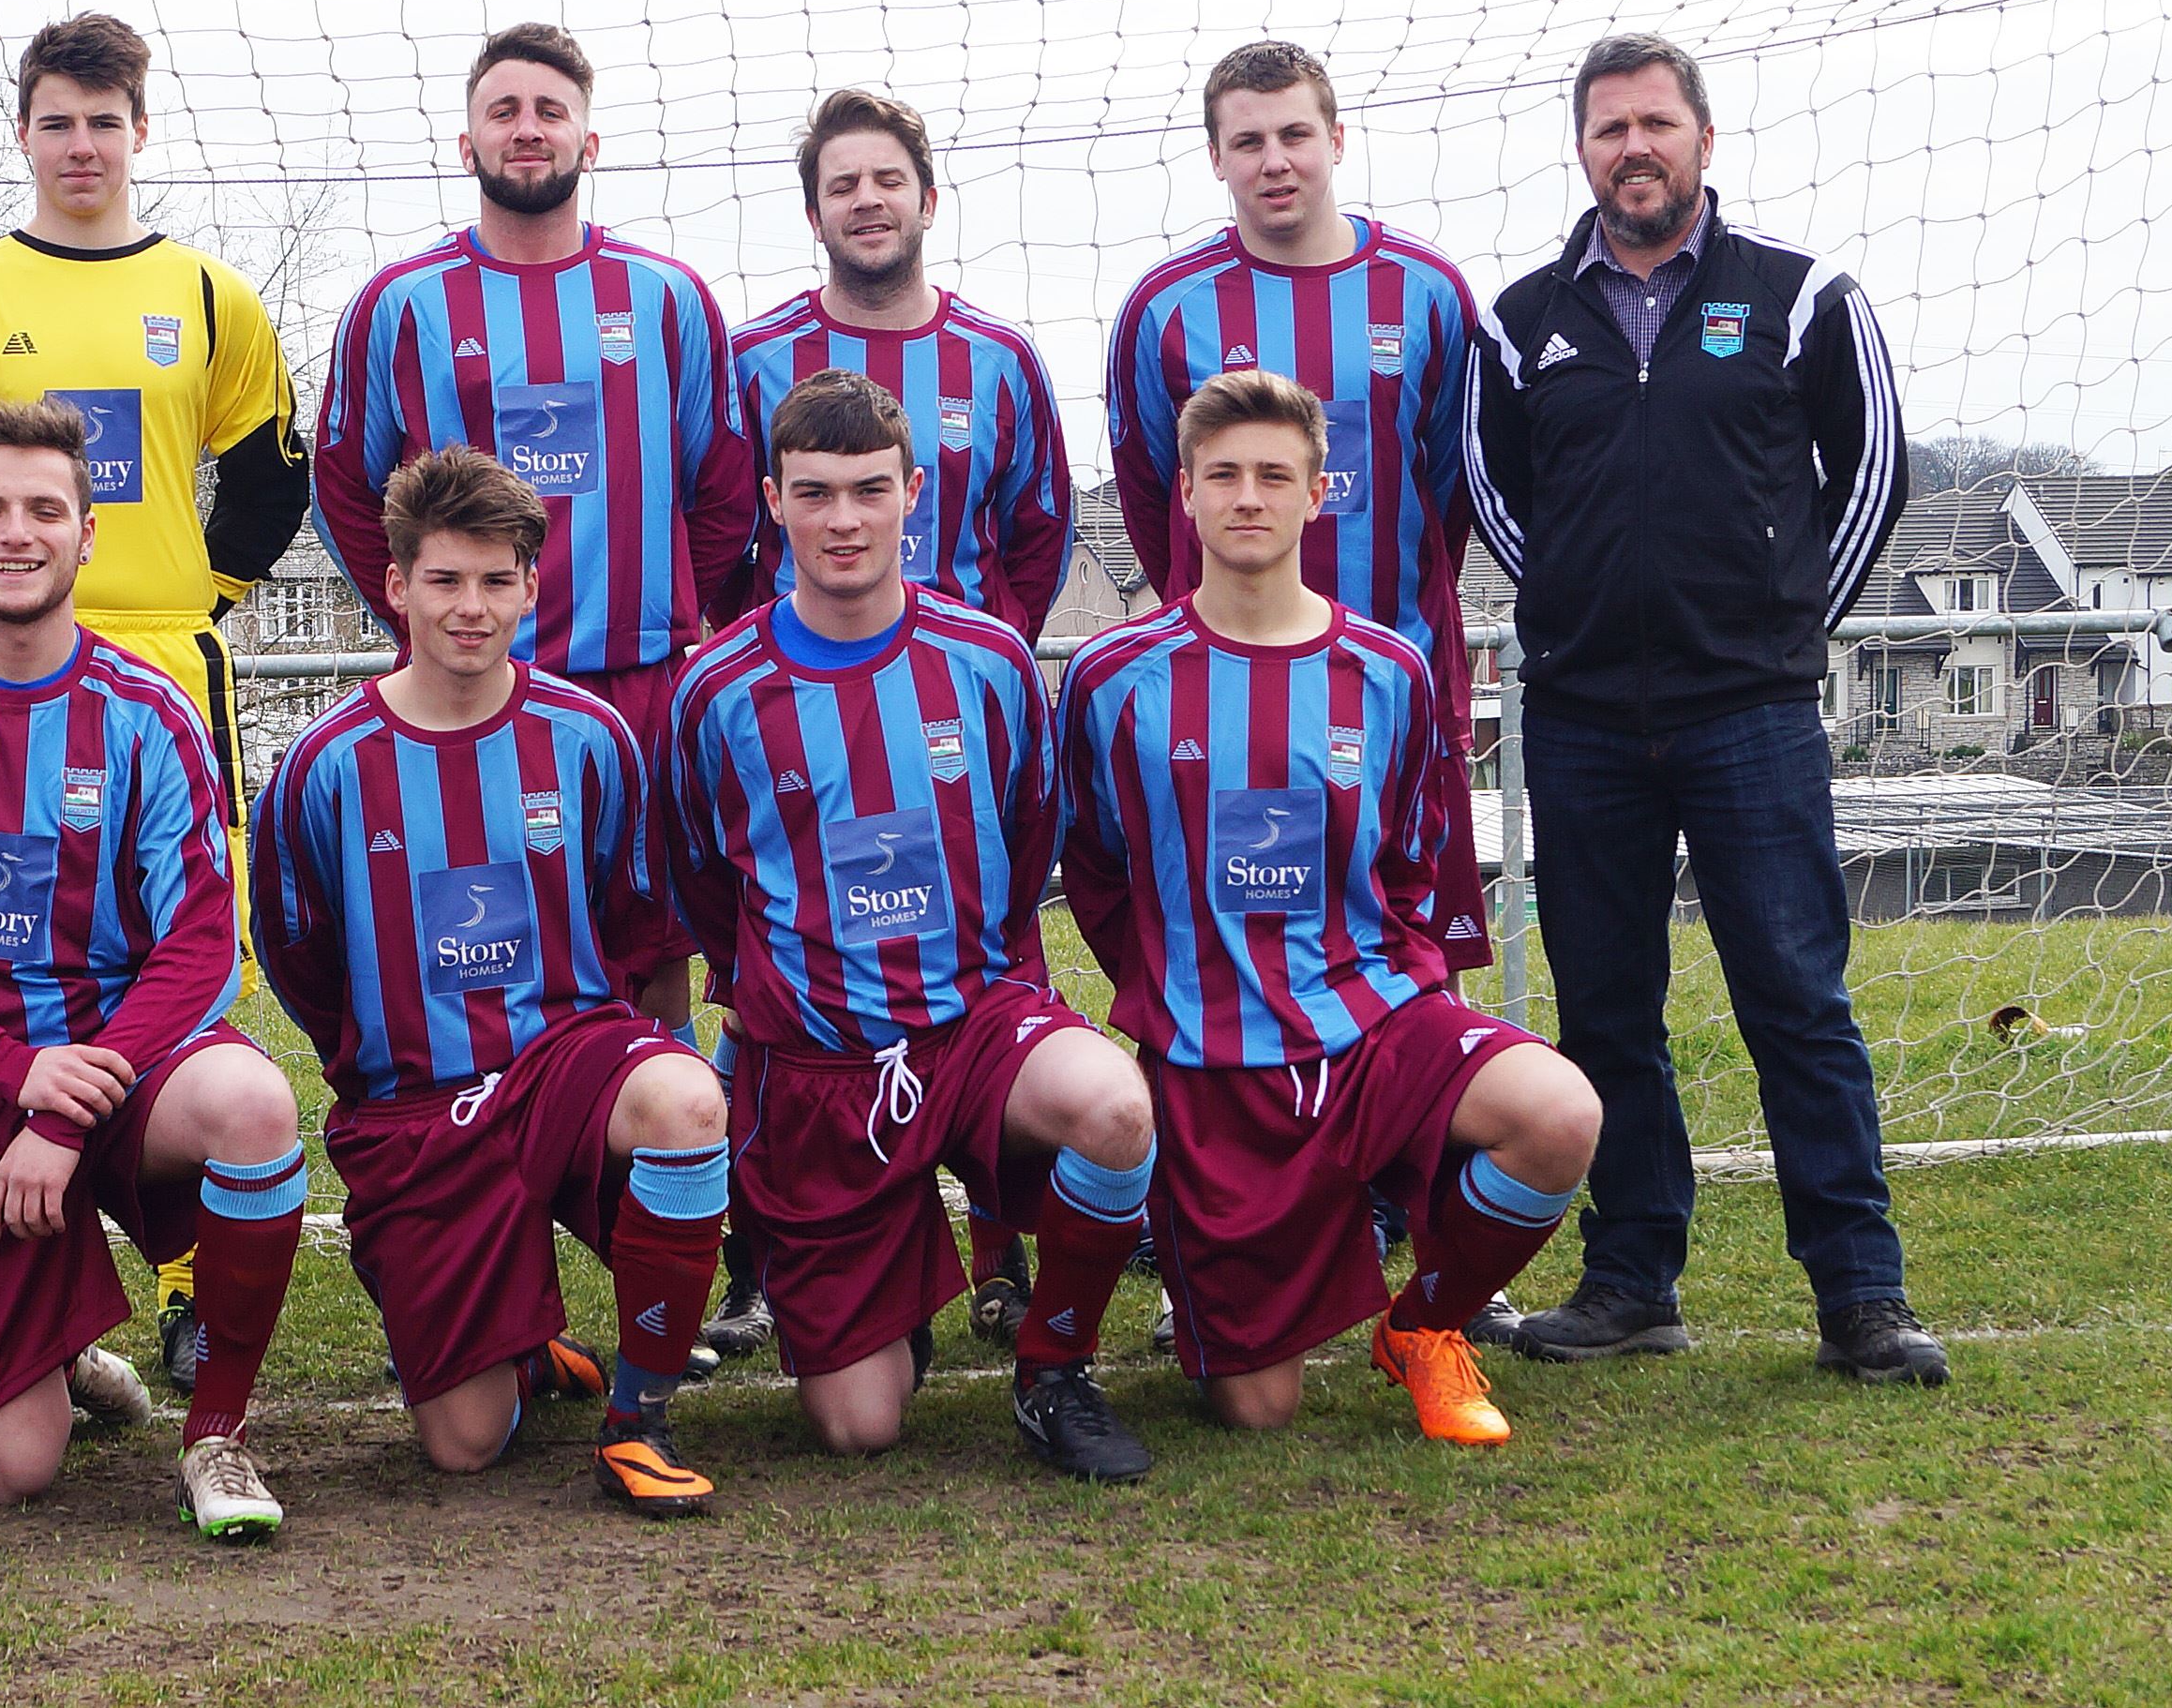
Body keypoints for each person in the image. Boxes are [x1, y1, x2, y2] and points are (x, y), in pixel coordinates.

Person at [1463, 32, 1944, 1386]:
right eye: (1610, 127)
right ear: (1582, 151)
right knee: (1607, 1005)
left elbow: (1875, 472)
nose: (1635, 146)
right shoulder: (1520, 321)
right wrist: (1568, 610)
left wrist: (1785, 633)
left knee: (1795, 996)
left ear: (1704, 139)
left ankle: (1861, 1290)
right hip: (1583, 718)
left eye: (1657, 122)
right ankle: (1632, 1275)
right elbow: (1497, 499)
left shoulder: (1801, 297)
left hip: (1751, 714)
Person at [1059, 370, 1600, 1444]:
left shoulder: (1389, 671)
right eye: (1223, 475)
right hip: (1212, 1066)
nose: (1247, 496)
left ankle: (1425, 1325)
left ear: (1319, 494)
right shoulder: (1113, 677)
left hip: (1369, 1027)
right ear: (1185, 494)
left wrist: (1406, 1002)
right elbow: (1096, 872)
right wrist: (1179, 993)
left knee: (1560, 1112)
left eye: (1274, 474)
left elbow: (1412, 864)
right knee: (1259, 1412)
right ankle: (1228, 1269)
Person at [0, 397, 310, 1539]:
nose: (15, 531)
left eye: (45, 508)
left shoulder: (148, 711)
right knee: (14, 1473)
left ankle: (218, 1435)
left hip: (118, 1078)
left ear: (88, 534)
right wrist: (5, 1069)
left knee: (253, 1101)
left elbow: (196, 940)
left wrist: (73, 1101)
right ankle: (57, 1352)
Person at [0, 11, 311, 1388]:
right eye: (58, 119)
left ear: (142, 131)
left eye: (106, 119)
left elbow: (270, 483)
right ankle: (13, 1241)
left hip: (166, 670)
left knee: (178, 963)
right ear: (23, 133)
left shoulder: (211, 300)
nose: (83, 143)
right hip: (10, 678)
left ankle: (193, 1276)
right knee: (5, 938)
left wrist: (200, 607)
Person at [667, 371, 1161, 1483]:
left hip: (973, 1023)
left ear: (914, 493)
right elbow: (707, 875)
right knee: (857, 1426)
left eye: (868, 491)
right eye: (817, 493)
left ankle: (1054, 1369)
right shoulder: (717, 688)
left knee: (1117, 1107)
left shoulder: (988, 661)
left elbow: (1027, 833)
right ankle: (888, 1301)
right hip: (820, 1069)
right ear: (773, 500)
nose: (844, 519)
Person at [256, 447, 731, 1517]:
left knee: (687, 1101)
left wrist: (647, 1060)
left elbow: (636, 926)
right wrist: (386, 1053)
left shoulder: (590, 737)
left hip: (564, 1065)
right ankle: (520, 1344)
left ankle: (639, 1417)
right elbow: (300, 956)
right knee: (465, 1447)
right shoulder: (324, 765)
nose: (471, 606)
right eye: (445, 579)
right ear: (396, 586)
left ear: (530, 584)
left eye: (495, 579)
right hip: (417, 1106)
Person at [315, 22, 754, 1028]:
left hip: (637, 682)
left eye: (550, 111)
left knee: (649, 959)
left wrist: (670, 617)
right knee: (481, 949)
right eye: (503, 111)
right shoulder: (400, 303)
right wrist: (428, 628)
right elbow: (347, 487)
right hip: (467, 688)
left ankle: (660, 1163)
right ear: (464, 143)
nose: (527, 130)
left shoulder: (666, 297)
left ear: (588, 142)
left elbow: (723, 491)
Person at [727, 85, 1075, 1351]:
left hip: (956, 716)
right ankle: (764, 1257)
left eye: (888, 179)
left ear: (927, 196)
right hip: (796, 716)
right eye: (843, 184)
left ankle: (1000, 1252)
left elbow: (1040, 524)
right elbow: (723, 528)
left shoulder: (1000, 359)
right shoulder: (754, 357)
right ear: (815, 208)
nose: (868, 201)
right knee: (781, 968)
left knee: (986, 956)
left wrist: (982, 653)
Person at [1105, 43, 1494, 976]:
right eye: (1248, 141)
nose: (1273, 160)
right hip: (1223, 697)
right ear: (1215, 157)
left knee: (1410, 964)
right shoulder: (1165, 309)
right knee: (1236, 954)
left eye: (1293, 134)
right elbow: (1155, 498)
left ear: (1336, 139)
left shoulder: (1429, 292)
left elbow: (1450, 495)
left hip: (1395, 686)